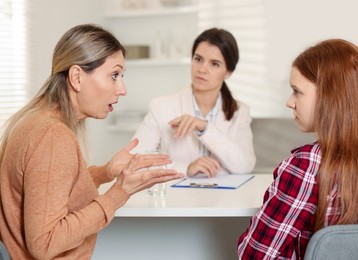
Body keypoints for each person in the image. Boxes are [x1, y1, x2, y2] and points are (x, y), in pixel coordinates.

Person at [0, 24, 184, 259]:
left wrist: (104, 172)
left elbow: (48, 189)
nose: (122, 89)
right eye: (114, 75)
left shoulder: (37, 120)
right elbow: (44, 243)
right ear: (77, 77)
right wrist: (118, 193)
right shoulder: (53, 136)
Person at [237, 39, 358, 259]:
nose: (290, 102)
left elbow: (254, 255)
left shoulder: (307, 165)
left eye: (297, 91)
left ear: (330, 96)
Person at [131, 28, 256, 178]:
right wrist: (185, 168)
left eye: (214, 64)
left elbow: (244, 165)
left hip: (223, 199)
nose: (202, 69)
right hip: (177, 199)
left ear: (228, 72)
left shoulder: (240, 111)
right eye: (198, 59)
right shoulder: (161, 107)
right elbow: (135, 160)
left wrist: (205, 128)